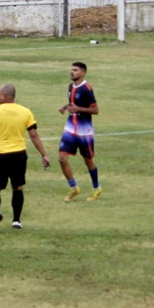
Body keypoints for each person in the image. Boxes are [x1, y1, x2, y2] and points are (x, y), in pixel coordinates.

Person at [0, 84, 51, 231]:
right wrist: (44, 154)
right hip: (19, 154)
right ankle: (16, 220)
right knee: (17, 187)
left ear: (5, 96)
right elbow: (33, 135)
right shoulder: (25, 111)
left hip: (0, 154)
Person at [58, 61, 101, 202]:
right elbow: (73, 105)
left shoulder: (86, 89)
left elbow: (95, 110)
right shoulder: (71, 86)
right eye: (72, 70)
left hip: (84, 131)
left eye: (75, 70)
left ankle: (96, 188)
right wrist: (66, 107)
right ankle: (74, 188)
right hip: (70, 128)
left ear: (82, 73)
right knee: (62, 158)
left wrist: (79, 109)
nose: (72, 72)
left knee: (88, 160)